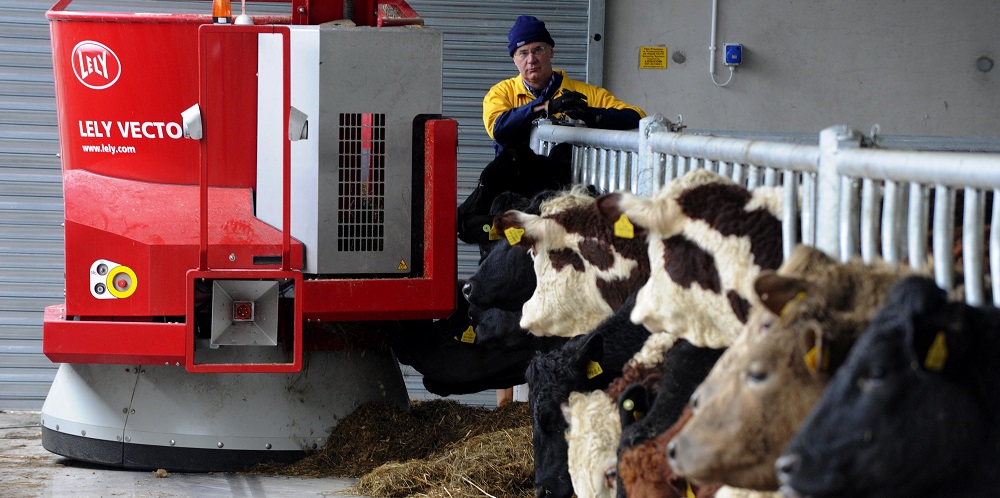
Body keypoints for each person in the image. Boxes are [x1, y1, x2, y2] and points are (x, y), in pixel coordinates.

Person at [483, 15, 647, 155]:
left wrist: (592, 115)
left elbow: (637, 117)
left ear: (551, 52)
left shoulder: (586, 94)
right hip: (514, 187)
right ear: (514, 59)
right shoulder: (501, 93)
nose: (531, 59)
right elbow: (498, 129)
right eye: (523, 53)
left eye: (538, 50)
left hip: (570, 188)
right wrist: (544, 107)